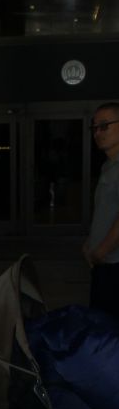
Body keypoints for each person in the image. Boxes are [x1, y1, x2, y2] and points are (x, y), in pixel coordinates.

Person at [83, 101, 119, 318]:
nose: (97, 132)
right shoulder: (108, 166)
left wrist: (101, 250)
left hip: (114, 264)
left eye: (104, 126)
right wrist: (90, 244)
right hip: (104, 263)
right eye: (94, 127)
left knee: (108, 329)